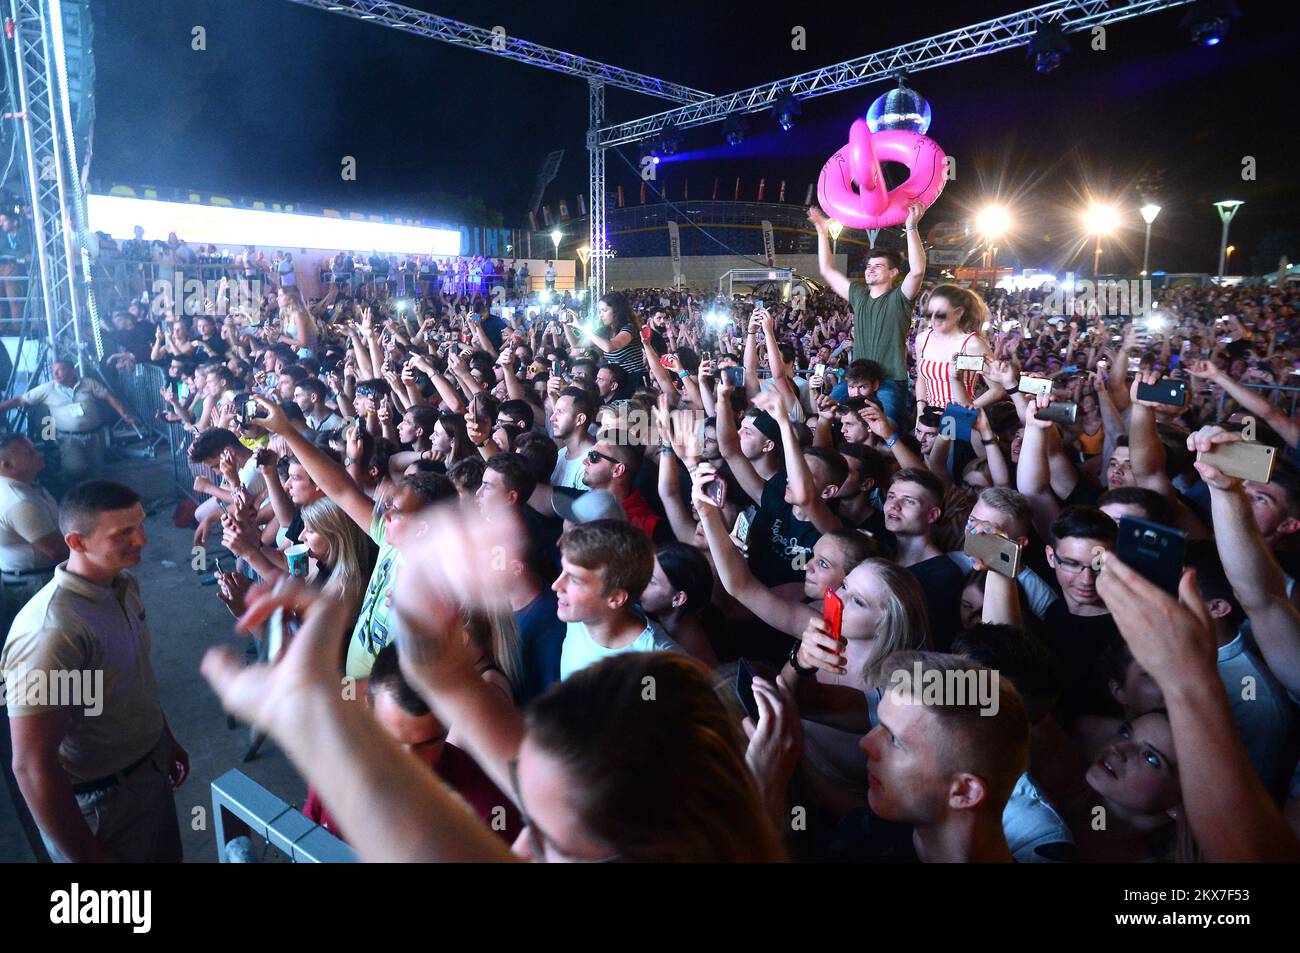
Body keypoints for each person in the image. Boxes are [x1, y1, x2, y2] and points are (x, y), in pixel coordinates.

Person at [2, 481, 187, 862]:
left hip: (146, 772)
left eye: (141, 524)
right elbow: (33, 765)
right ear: (77, 542)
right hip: (103, 803)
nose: (142, 540)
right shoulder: (54, 631)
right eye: (123, 533)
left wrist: (162, 738)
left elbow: (131, 674)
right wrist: (87, 857)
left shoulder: (122, 584)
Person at [303, 643, 521, 844]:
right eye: (392, 740)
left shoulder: (488, 810)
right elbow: (305, 840)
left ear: (448, 725)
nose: (408, 760)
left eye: (427, 744)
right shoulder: (335, 765)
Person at [840, 651, 1029, 862]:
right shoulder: (861, 840)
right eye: (878, 726)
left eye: (894, 740)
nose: (865, 744)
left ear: (965, 791)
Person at [809, 201, 927, 429]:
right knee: (827, 413)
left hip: (890, 380)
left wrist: (911, 227)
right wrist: (822, 232)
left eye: (878, 266)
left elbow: (918, 270)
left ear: (893, 273)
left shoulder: (900, 298)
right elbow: (827, 271)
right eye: (868, 266)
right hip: (855, 380)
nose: (870, 269)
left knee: (888, 428)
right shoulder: (859, 295)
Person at [554, 519, 678, 679]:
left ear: (615, 598)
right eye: (563, 571)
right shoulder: (577, 617)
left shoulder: (657, 665)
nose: (556, 585)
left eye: (575, 580)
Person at [0, 360, 138, 484]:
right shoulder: (47, 388)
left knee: (96, 470)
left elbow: (109, 397)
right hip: (69, 438)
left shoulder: (88, 383)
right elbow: (20, 400)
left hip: (95, 435)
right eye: (53, 371)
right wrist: (2, 407)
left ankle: (94, 498)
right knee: (74, 468)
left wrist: (125, 415)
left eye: (60, 369)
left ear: (73, 370)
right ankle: (72, 493)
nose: (55, 373)